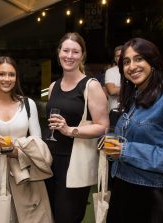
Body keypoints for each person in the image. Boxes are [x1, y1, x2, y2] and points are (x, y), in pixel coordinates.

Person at [105, 38, 163, 223]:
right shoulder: (134, 98)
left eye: (139, 59)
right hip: (125, 189)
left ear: (153, 62)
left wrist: (126, 150)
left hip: (152, 197)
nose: (132, 66)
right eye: (126, 61)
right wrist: (114, 149)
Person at [0, 56, 53, 222]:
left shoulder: (28, 104)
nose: (6, 79)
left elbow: (37, 139)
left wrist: (18, 152)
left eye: (11, 74)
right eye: (2, 74)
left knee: (24, 217)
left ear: (16, 78)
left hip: (22, 169)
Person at [45, 32, 109, 223]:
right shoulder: (52, 86)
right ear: (59, 53)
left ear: (82, 55)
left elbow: (103, 126)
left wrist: (69, 130)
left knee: (67, 217)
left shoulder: (91, 86)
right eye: (65, 50)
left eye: (75, 51)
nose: (69, 56)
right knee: (49, 215)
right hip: (49, 162)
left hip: (75, 164)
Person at [105, 45, 122, 126]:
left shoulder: (131, 70)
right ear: (115, 58)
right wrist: (131, 88)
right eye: (118, 56)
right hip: (115, 112)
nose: (120, 58)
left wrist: (118, 89)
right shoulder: (110, 72)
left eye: (123, 55)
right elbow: (112, 91)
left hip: (132, 111)